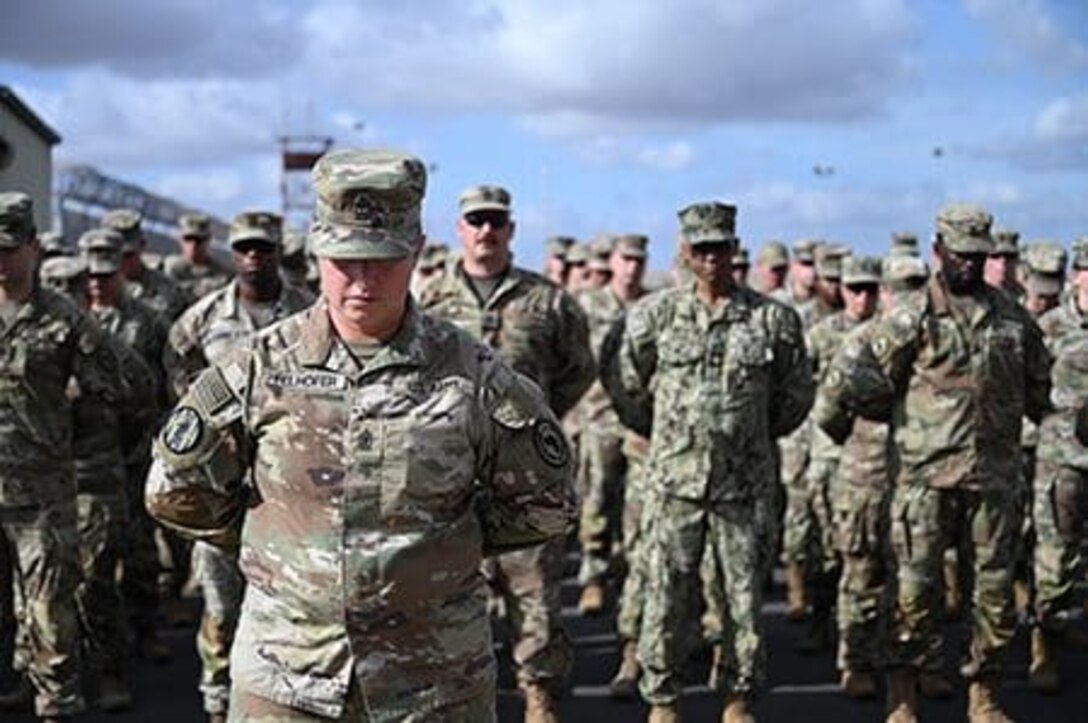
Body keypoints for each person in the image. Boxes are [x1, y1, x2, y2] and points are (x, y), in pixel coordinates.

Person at [146, 148, 576, 722]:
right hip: (288, 674)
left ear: (417, 251)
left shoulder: (473, 374)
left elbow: (547, 500)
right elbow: (174, 489)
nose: (363, 279)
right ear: (319, 252)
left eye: (383, 258)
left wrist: (440, 551)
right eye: (346, 258)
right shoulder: (256, 368)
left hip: (434, 679)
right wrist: (281, 548)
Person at [819, 203, 1052, 723]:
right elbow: (855, 377)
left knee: (992, 597)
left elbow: (1041, 389)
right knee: (912, 595)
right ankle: (902, 698)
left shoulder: (1013, 318)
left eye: (977, 255)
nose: (968, 264)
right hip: (923, 482)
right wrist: (872, 420)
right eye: (959, 254)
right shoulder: (910, 315)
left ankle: (984, 695)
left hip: (992, 482)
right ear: (938, 251)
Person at [604, 201, 813, 723]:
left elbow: (795, 396)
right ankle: (663, 698)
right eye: (701, 249)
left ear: (734, 249)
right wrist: (664, 433)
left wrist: (753, 437)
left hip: (742, 486)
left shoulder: (773, 320)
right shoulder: (655, 316)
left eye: (720, 248)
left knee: (742, 599)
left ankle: (737, 697)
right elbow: (624, 381)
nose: (712, 259)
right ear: (684, 253)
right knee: (666, 593)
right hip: (674, 481)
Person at [418, 183, 594, 722]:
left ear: (511, 229)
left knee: (535, 588)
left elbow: (577, 371)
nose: (486, 231)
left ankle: (538, 693)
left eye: (496, 221)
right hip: (449, 469)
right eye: (476, 221)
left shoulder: (548, 301)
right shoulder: (429, 300)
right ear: (460, 229)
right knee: (445, 589)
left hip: (524, 472)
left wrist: (533, 425)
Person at [163, 210, 313, 722]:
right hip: (221, 490)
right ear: (233, 252)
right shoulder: (203, 319)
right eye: (246, 248)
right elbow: (179, 376)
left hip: (291, 491)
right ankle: (217, 699)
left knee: (292, 609)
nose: (255, 258)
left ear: (277, 252)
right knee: (223, 607)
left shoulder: (310, 313)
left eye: (264, 248)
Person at [0, 192, 124, 721]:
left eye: (9, 248)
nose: (1, 261)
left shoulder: (64, 318)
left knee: (51, 614)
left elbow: (126, 386)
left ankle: (57, 706)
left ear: (33, 249)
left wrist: (80, 429)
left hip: (42, 497)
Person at [798, 255, 882, 660]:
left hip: (873, 461)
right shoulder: (821, 335)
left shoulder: (889, 334)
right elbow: (797, 388)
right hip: (827, 452)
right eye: (855, 289)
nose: (863, 297)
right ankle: (819, 617)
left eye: (870, 289)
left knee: (865, 552)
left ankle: (863, 641)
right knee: (824, 548)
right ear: (842, 290)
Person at [574, 234, 650, 617]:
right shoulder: (589, 304)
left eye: (639, 260)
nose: (633, 267)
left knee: (637, 502)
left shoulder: (653, 306)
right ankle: (593, 575)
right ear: (614, 262)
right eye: (626, 259)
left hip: (639, 420)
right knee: (599, 493)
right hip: (599, 415)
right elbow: (570, 358)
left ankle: (630, 577)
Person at [1028, 240, 1086, 693]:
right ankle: (1042, 646)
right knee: (1054, 557)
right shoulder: (1048, 328)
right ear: (1078, 276)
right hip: (1059, 461)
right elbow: (1023, 387)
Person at [102, 208, 193, 321]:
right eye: (114, 254)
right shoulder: (91, 287)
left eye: (128, 255)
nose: (122, 262)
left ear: (142, 245)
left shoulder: (169, 291)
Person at [163, 213, 233, 299]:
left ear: (208, 240)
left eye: (199, 240)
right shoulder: (167, 267)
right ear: (180, 240)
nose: (193, 245)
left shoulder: (222, 276)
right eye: (188, 239)